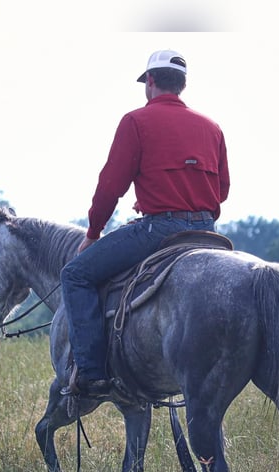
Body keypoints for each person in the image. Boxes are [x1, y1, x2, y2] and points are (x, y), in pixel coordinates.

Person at [60, 49, 230, 399]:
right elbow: (222, 189)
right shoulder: (212, 127)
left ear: (150, 82)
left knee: (75, 275)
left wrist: (93, 232)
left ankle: (91, 374)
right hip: (208, 233)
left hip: (160, 230)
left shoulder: (136, 121)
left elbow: (110, 186)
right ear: (182, 85)